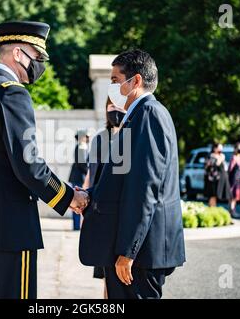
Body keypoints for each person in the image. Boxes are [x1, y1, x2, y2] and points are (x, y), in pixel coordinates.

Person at [0, 21, 89, 299]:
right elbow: (28, 164)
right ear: (18, 53)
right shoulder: (12, 93)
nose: (40, 64)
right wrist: (67, 196)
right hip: (13, 226)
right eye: (37, 56)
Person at [79, 49, 186, 299]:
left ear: (136, 80)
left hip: (139, 257)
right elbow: (123, 181)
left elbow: (144, 189)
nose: (112, 86)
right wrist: (88, 194)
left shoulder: (148, 115)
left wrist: (128, 251)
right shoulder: (138, 115)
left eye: (116, 80)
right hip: (136, 252)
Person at [82, 97, 126, 298]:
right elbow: (92, 175)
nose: (114, 109)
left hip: (125, 213)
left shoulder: (133, 137)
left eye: (119, 104)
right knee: (108, 275)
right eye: (111, 105)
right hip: (103, 213)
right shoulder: (100, 138)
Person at [69, 129, 90, 230]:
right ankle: (77, 226)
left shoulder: (82, 146)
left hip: (78, 176)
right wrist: (89, 172)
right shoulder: (81, 146)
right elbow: (83, 164)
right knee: (78, 201)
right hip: (79, 177)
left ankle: (77, 226)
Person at [204, 143, 231, 207]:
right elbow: (214, 165)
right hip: (212, 179)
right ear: (215, 148)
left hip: (219, 179)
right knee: (212, 195)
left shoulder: (220, 156)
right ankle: (211, 210)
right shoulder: (211, 156)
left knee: (215, 196)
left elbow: (225, 167)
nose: (221, 150)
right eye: (219, 148)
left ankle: (213, 210)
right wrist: (220, 158)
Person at [228, 142, 240, 218]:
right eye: (239, 148)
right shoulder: (234, 158)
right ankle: (231, 211)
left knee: (236, 197)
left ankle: (233, 210)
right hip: (233, 179)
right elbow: (230, 169)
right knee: (232, 196)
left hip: (238, 179)